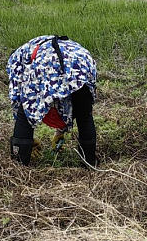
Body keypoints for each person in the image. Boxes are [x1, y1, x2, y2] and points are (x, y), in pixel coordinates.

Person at [7, 35, 97, 166]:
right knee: (84, 115)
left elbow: (18, 97)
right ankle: (90, 163)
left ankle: (19, 165)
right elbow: (64, 94)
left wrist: (26, 137)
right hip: (80, 62)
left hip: (46, 63)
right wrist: (60, 131)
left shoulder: (18, 60)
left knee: (25, 115)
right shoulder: (33, 49)